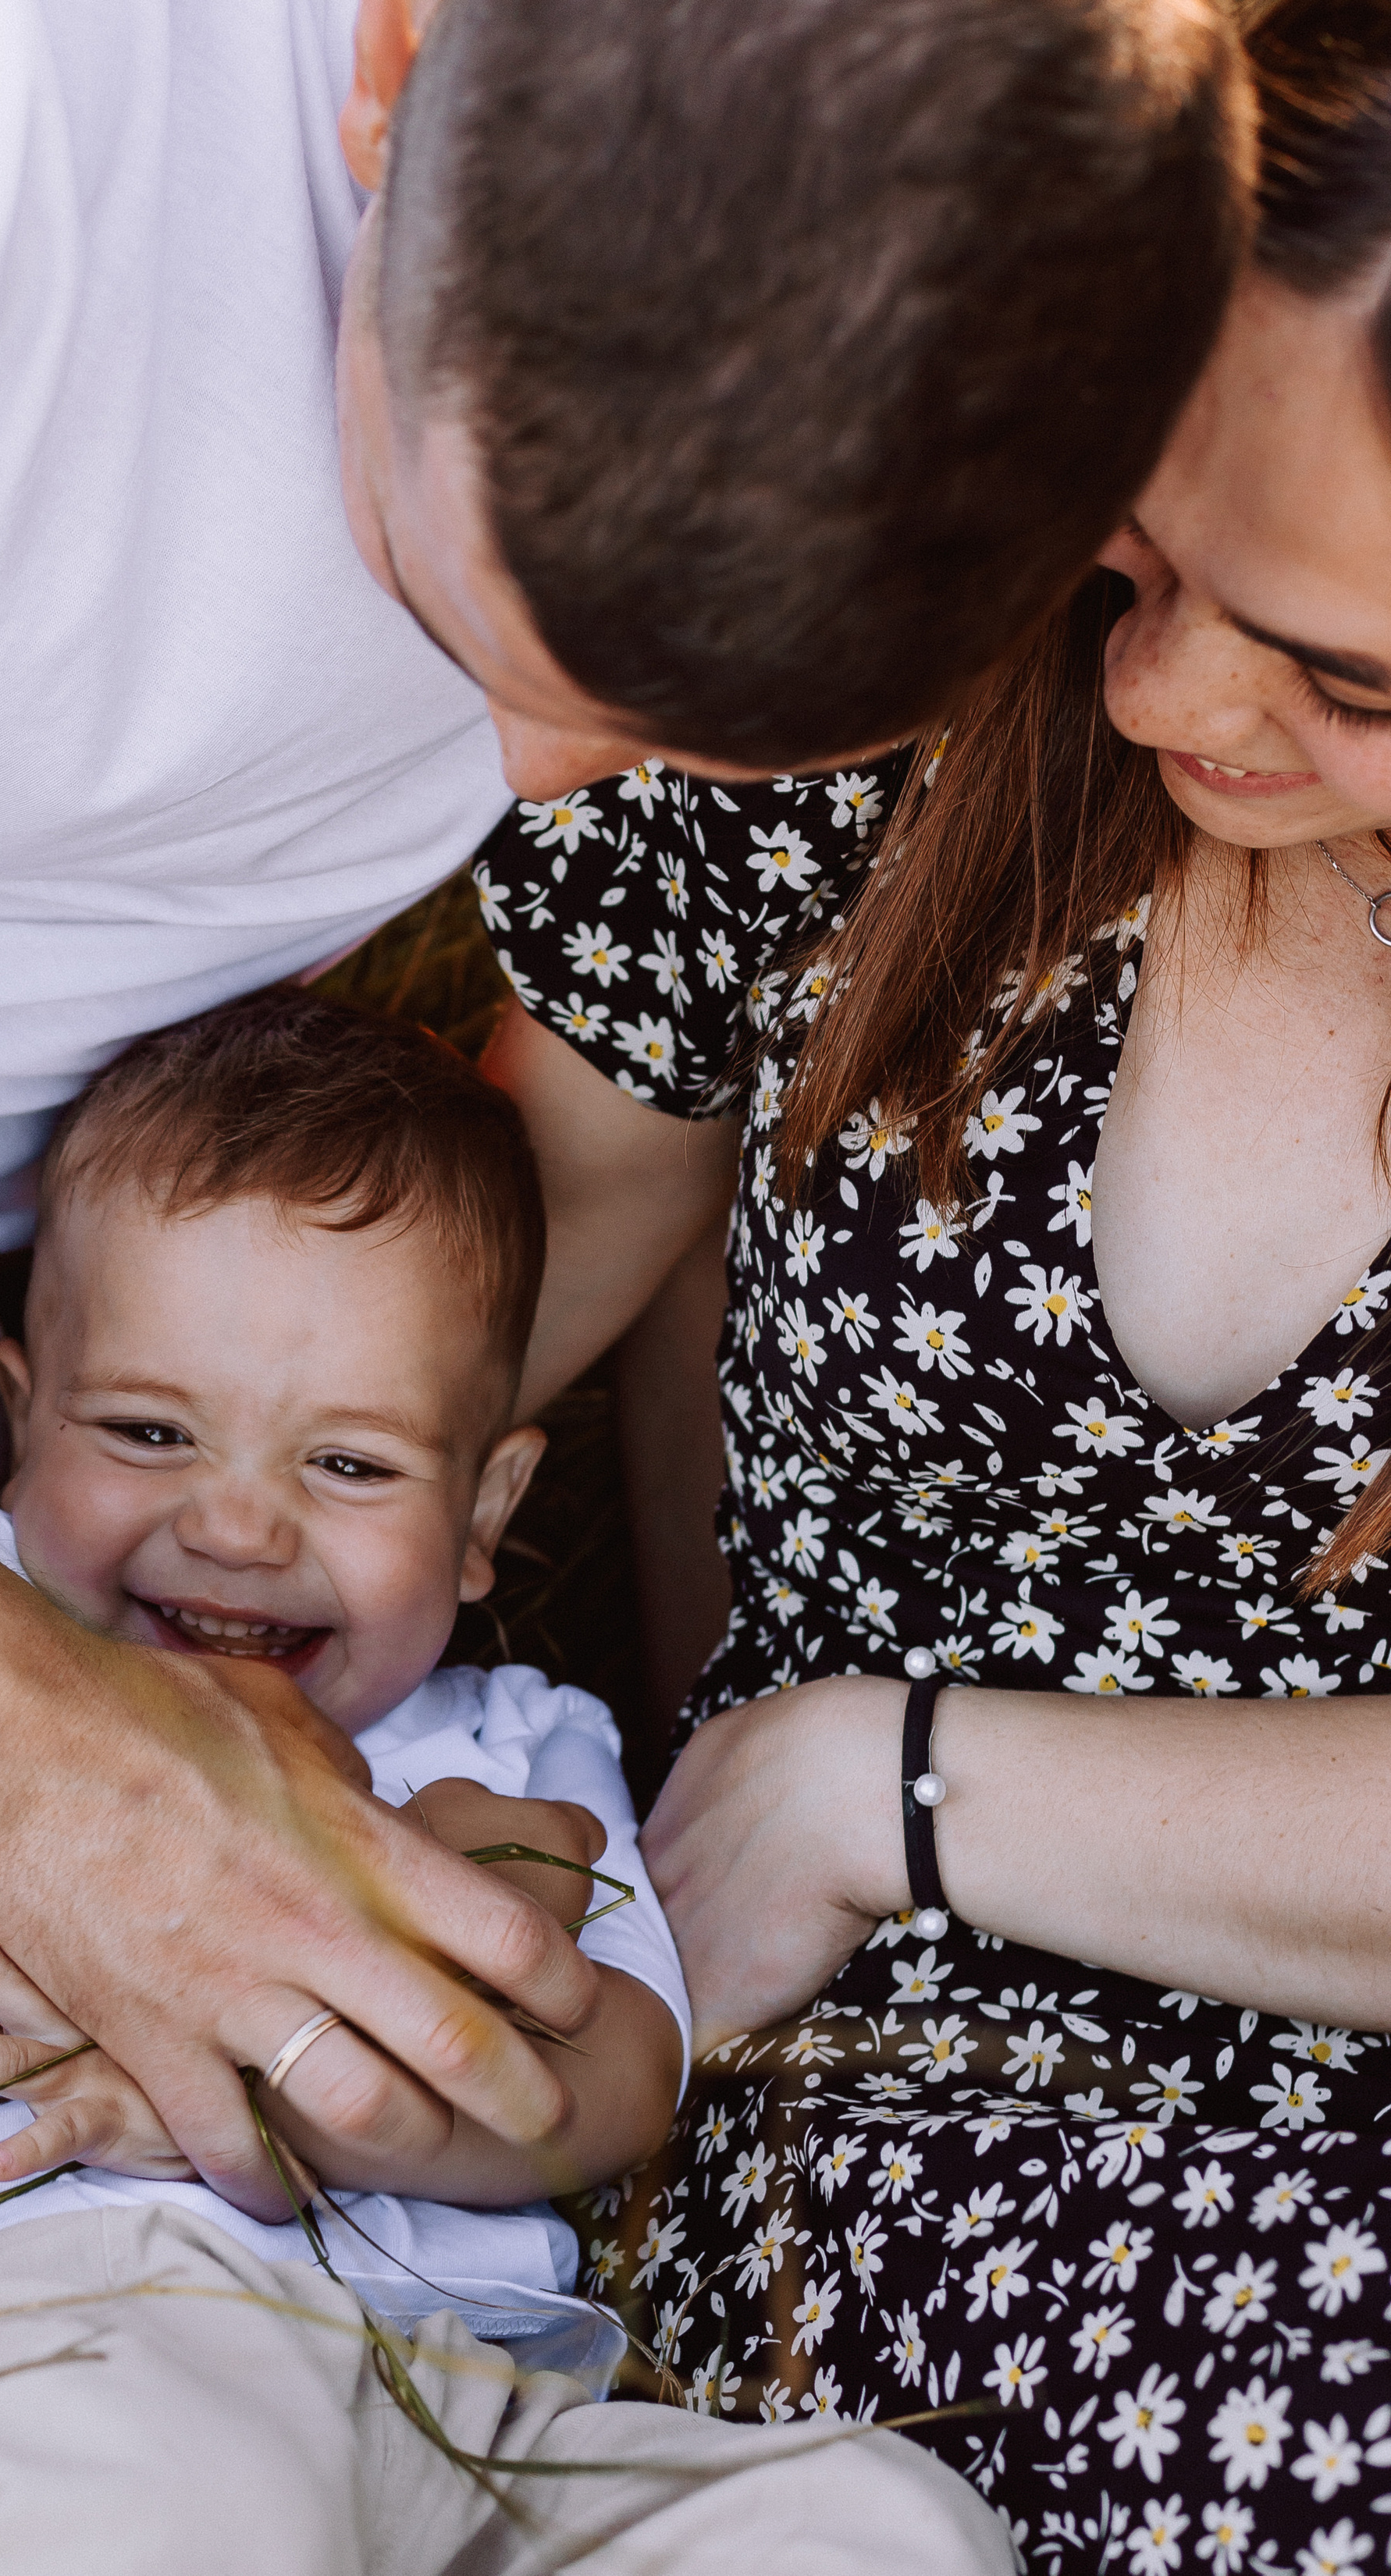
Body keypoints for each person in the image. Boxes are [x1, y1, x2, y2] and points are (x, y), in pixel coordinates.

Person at [0, 0, 1249, 2485]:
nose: (549, 790)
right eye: (487, 622)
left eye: (724, 744)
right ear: (387, 78)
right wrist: (32, 1750)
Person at [478, 1, 1391, 2560]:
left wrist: (883, 1782)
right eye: (1155, 542)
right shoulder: (886, 692)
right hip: (907, 2100)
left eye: (1347, 678)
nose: (1159, 687)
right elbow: (516, 1258)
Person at [0, 986, 1009, 2576]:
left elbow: (601, 2085)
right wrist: (419, 1910)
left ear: (484, 1509)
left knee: (875, 2527)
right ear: (21, 1416)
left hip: (463, 2417)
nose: (239, 1527)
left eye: (348, 1465)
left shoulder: (528, 1742)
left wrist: (315, 2111)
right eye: (147, 1429)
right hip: (45, 2327)